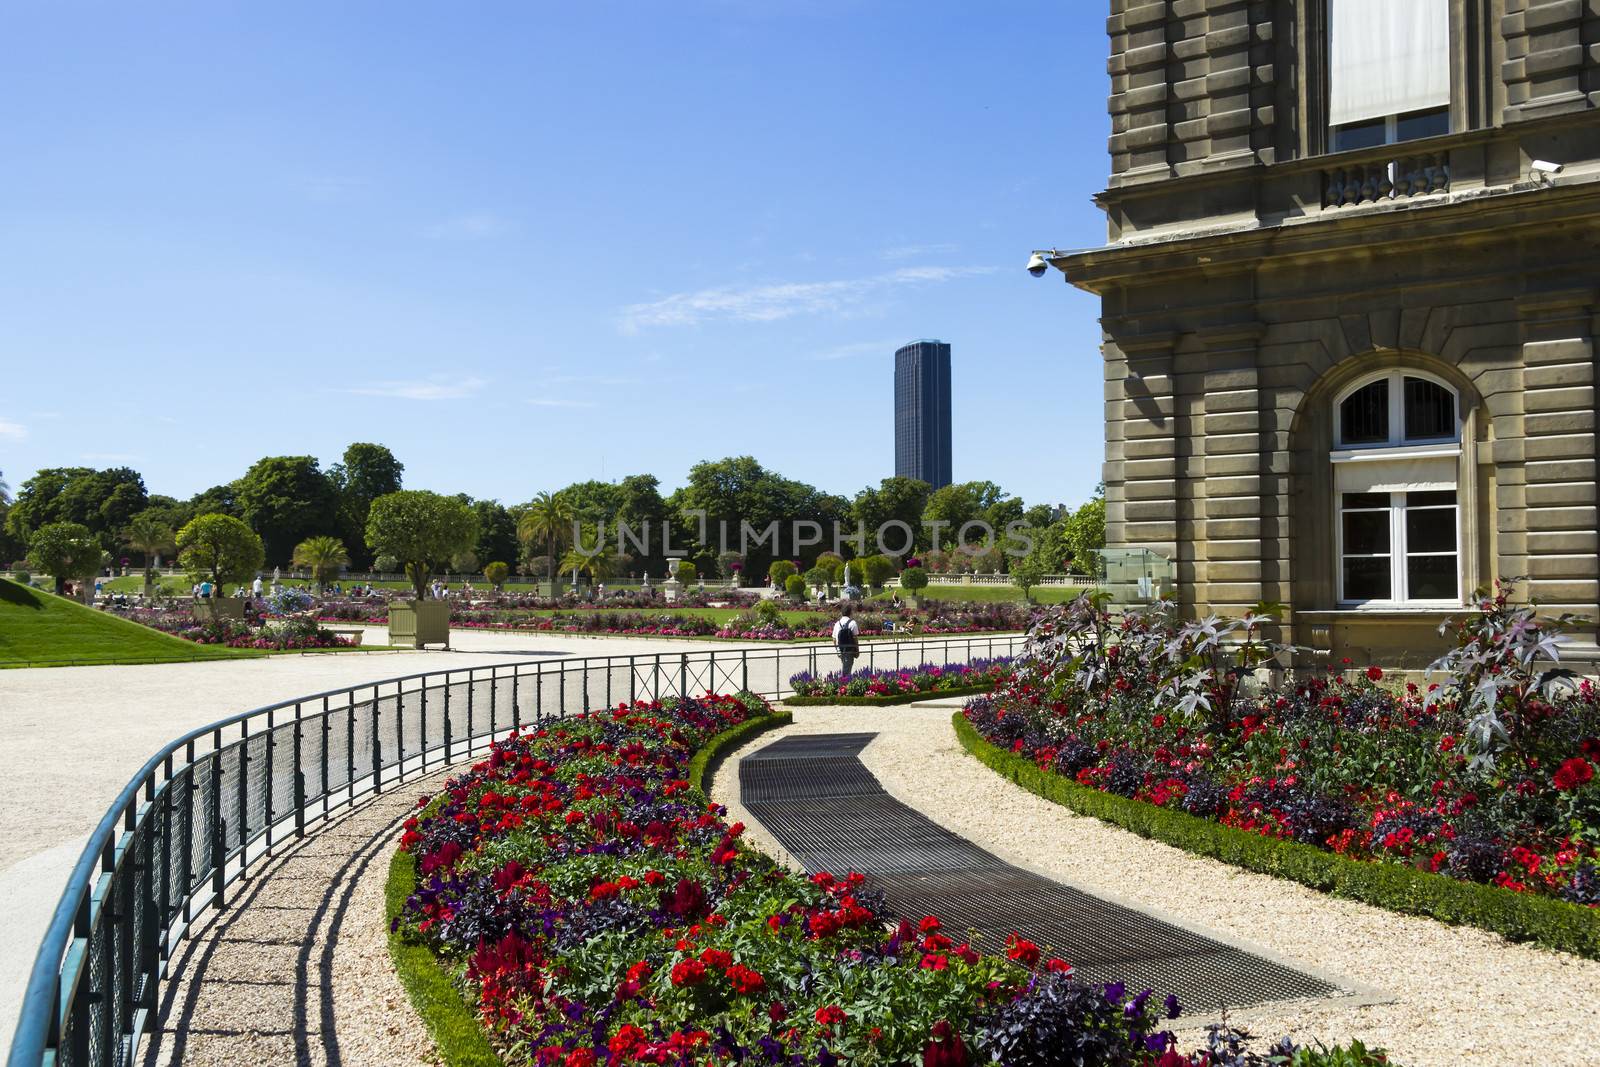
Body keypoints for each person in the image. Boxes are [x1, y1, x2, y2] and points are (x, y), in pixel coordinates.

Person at [831, 603, 860, 677]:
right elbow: (855, 639)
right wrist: (857, 650)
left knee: (845, 667)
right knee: (846, 671)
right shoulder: (852, 623)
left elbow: (834, 638)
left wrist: (837, 650)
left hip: (840, 648)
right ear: (850, 612)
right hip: (849, 649)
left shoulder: (837, 623)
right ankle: (843, 686)